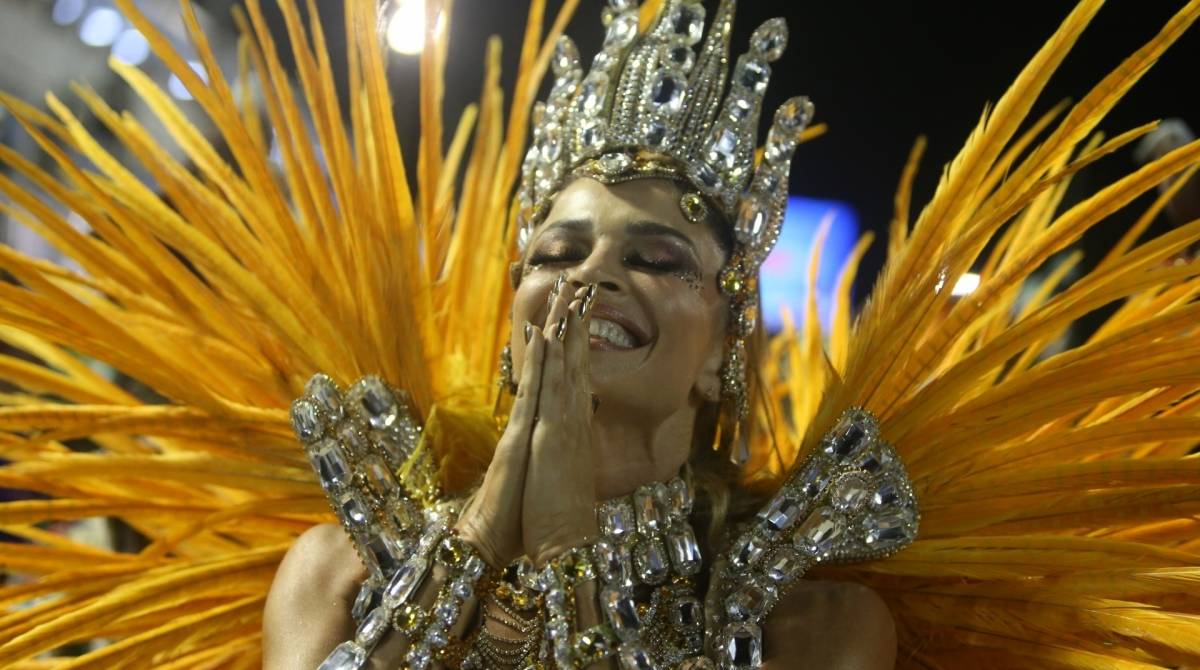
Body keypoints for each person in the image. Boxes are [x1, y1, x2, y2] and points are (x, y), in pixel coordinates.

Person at [0, 0, 1198, 669]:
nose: (596, 275)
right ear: (511, 313)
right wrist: (475, 537)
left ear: (727, 345)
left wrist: (569, 555)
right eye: (558, 251)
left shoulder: (815, 623)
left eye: (656, 255)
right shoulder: (341, 570)